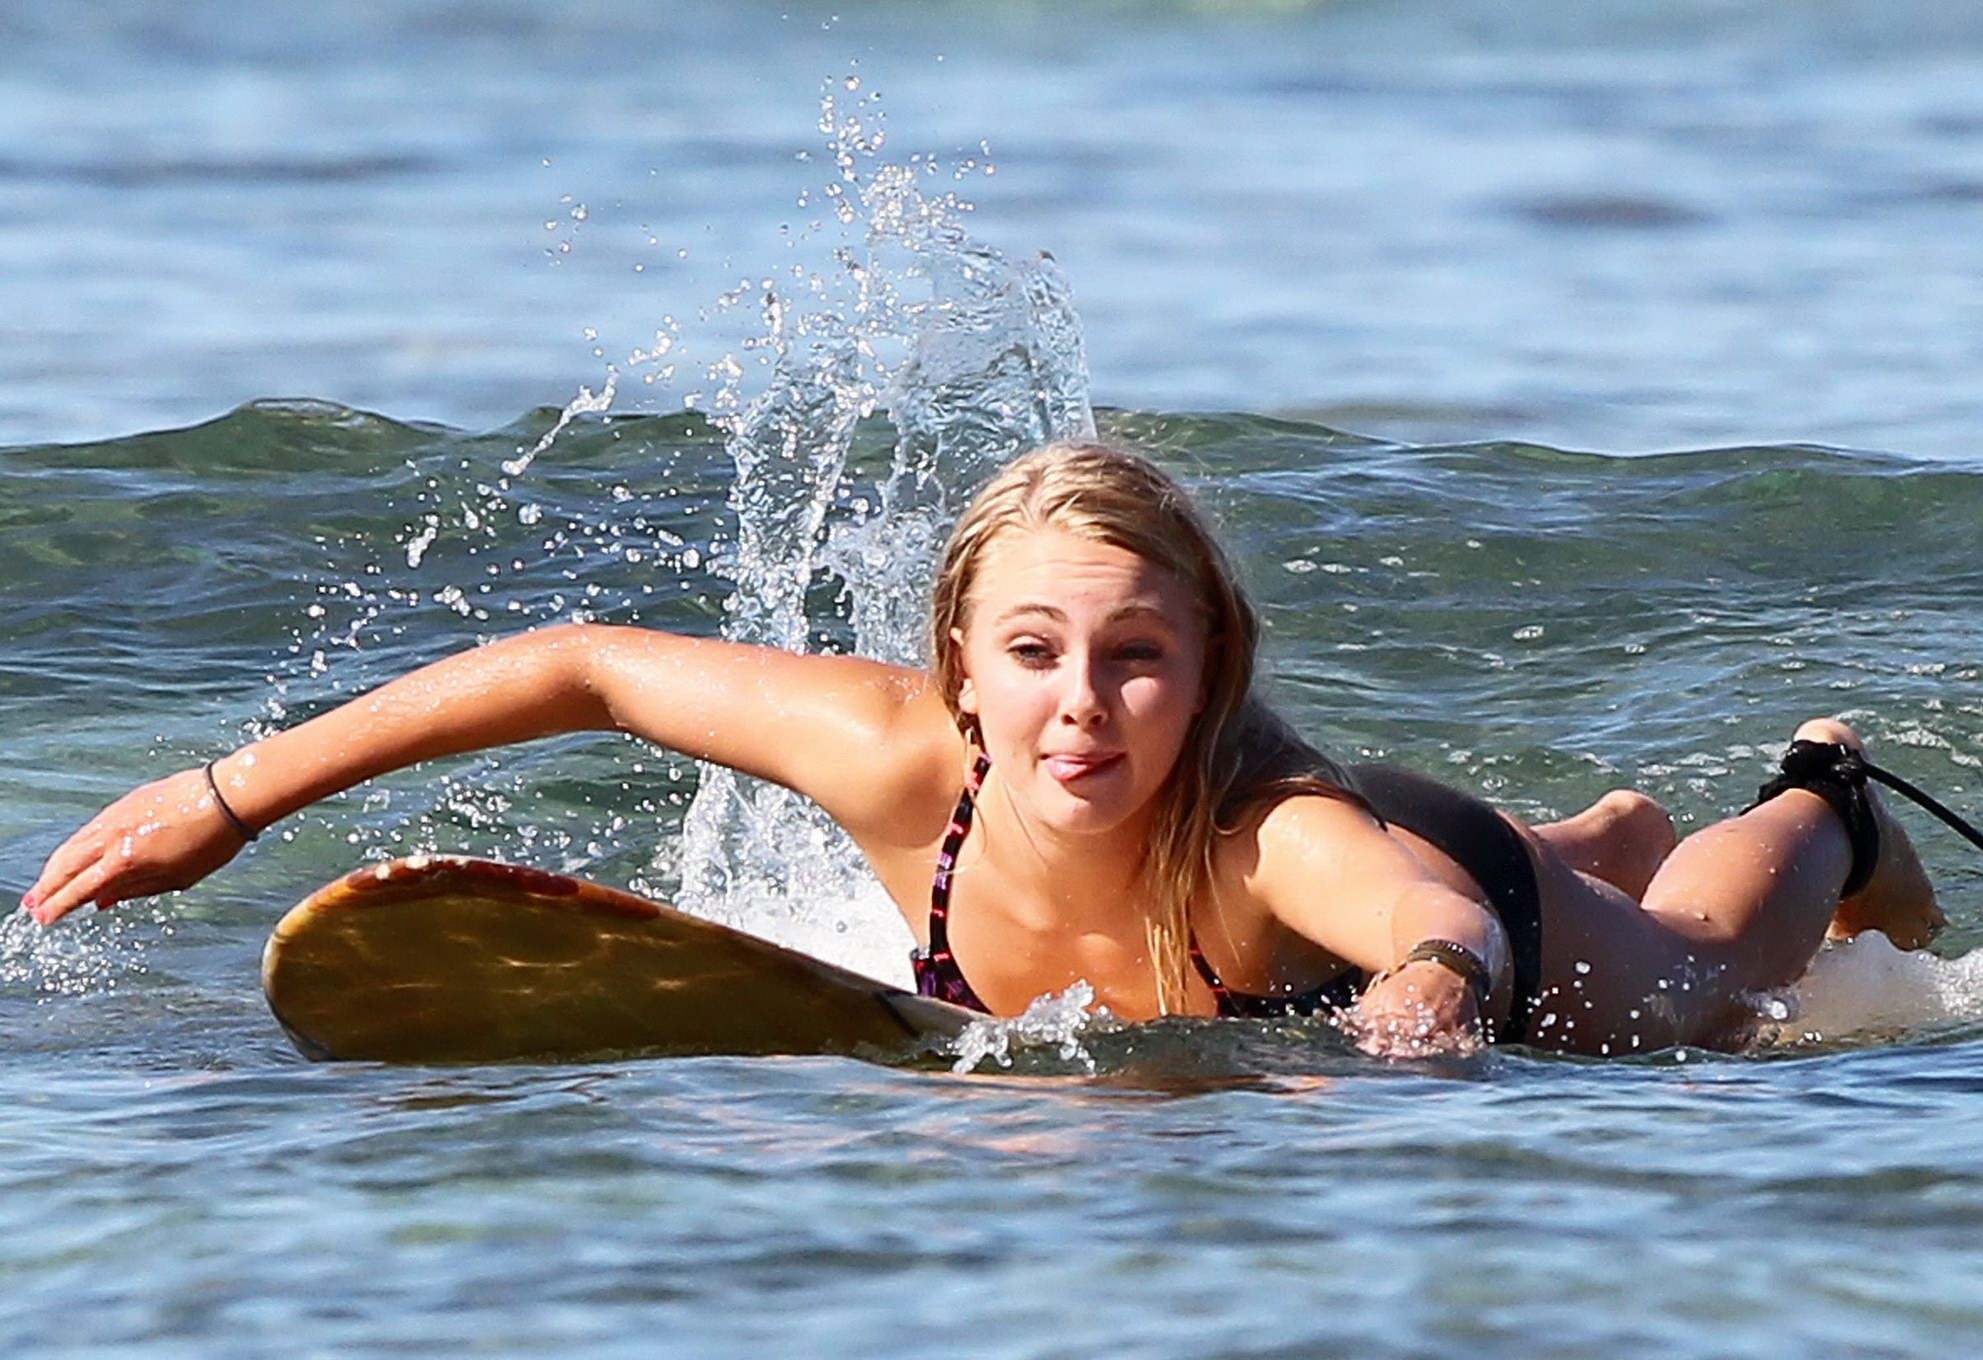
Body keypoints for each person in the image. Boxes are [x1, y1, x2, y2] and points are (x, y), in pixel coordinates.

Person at [20, 442, 1945, 1058]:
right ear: (957, 668)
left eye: (1135, 658)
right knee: (1555, 879)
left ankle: (1817, 793)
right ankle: (1601, 822)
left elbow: (1425, 914)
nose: (1079, 704)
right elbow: (584, 664)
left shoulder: (1273, 844)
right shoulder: (889, 757)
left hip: (1420, 882)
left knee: (1703, 998)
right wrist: (223, 795)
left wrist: (1439, 991)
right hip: (1354, 876)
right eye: (1031, 655)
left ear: (1209, 669)